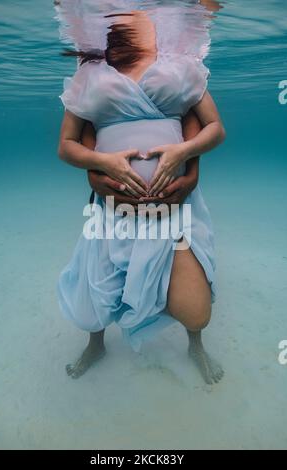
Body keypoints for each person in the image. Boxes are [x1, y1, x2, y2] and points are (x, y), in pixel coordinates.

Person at [57, 10, 226, 384]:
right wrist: (102, 162)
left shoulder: (180, 64)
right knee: (94, 296)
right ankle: (96, 342)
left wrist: (183, 156)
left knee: (196, 312)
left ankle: (195, 343)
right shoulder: (89, 74)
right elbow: (66, 146)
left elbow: (214, 129)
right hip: (112, 212)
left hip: (173, 213)